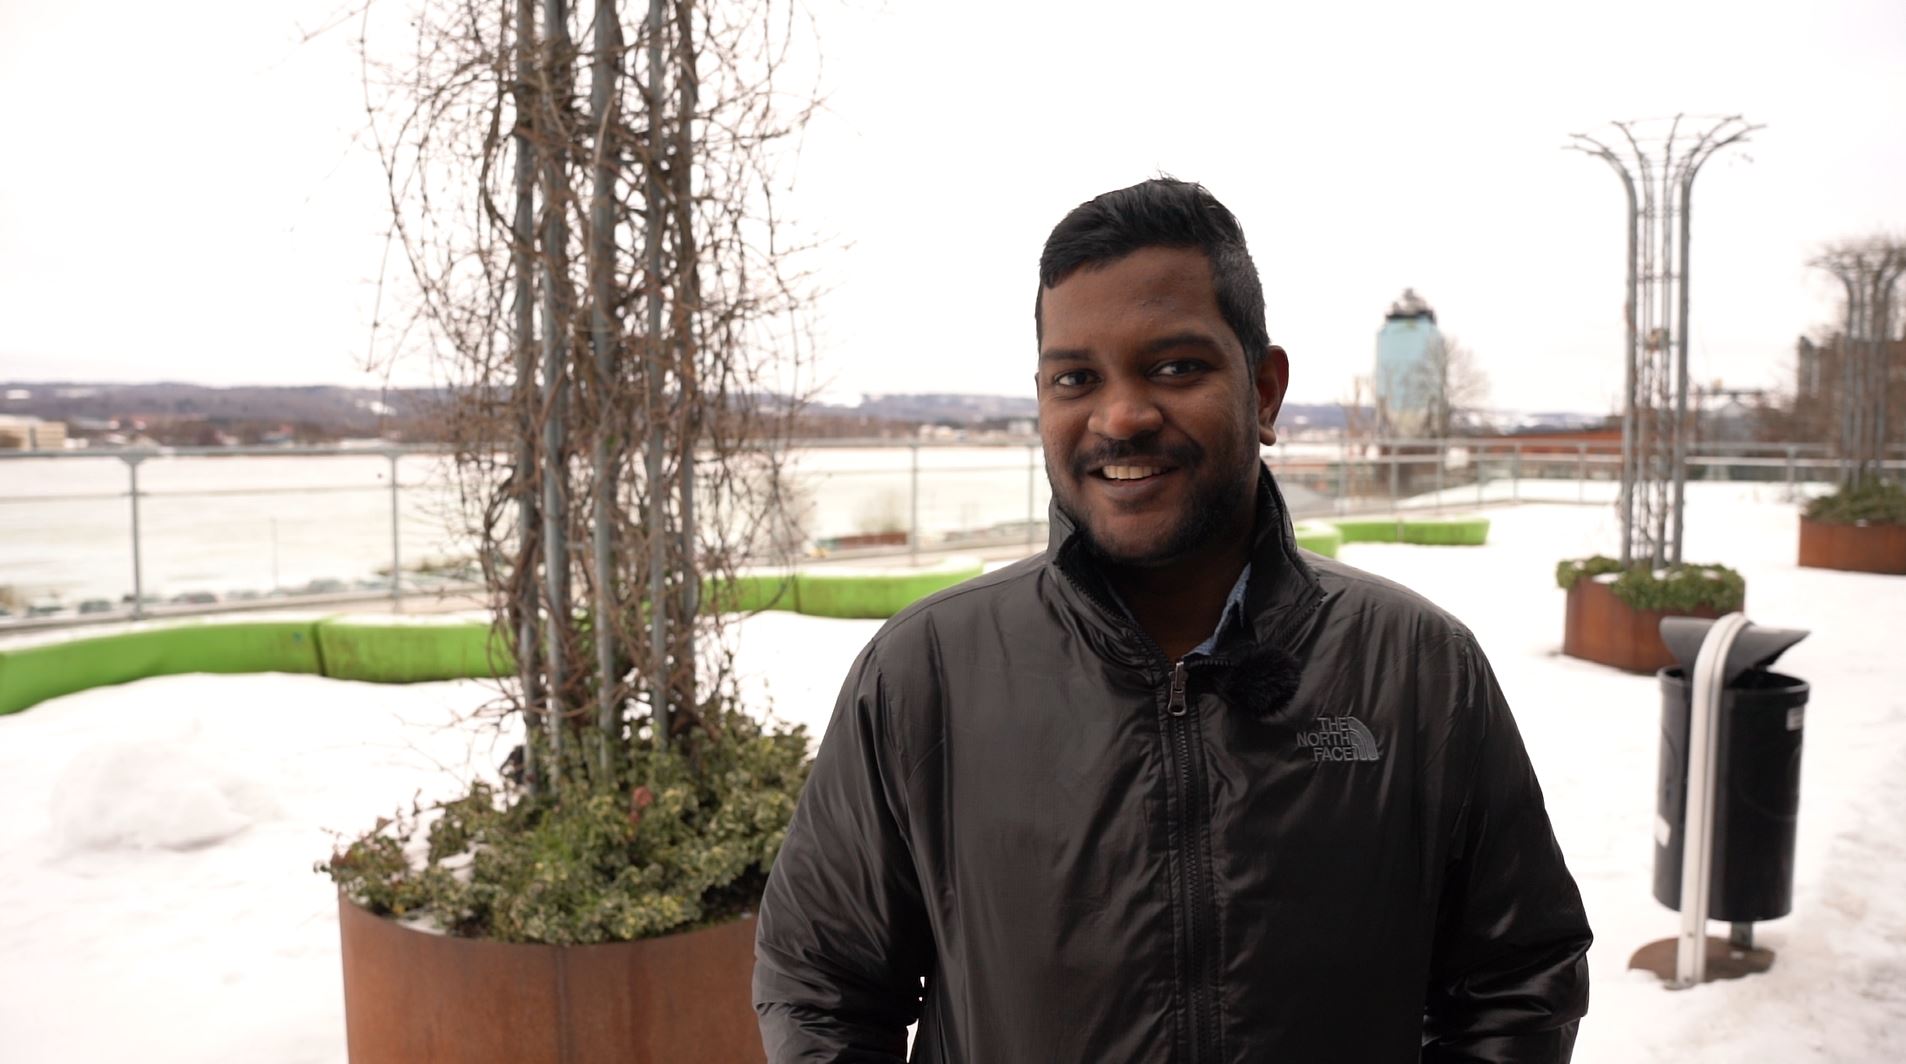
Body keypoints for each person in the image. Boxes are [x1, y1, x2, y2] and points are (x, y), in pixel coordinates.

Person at [754, 178, 1592, 1062]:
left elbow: (1518, 981)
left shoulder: (1416, 667)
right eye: (1076, 378)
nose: (1121, 416)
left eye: (1175, 367)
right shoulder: (925, 674)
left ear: (1264, 391)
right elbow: (821, 988)